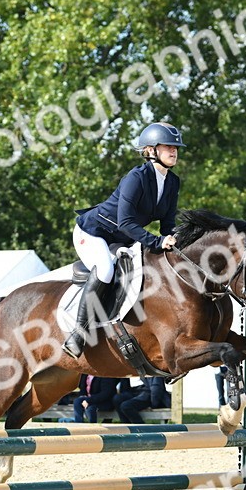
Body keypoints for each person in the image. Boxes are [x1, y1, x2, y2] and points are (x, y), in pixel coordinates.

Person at [64, 121, 183, 357]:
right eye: (168, 146)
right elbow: (125, 222)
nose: (174, 151)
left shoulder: (172, 182)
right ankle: (78, 333)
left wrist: (175, 239)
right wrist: (157, 242)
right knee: (106, 270)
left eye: (176, 147)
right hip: (94, 232)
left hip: (123, 238)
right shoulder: (136, 178)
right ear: (151, 151)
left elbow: (168, 223)